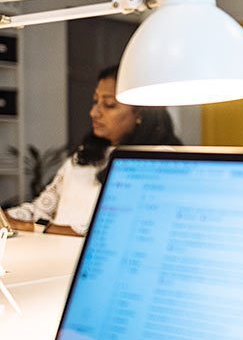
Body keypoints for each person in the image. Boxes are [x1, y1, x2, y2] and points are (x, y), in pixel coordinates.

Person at [7, 64, 182, 236]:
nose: (94, 112)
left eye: (109, 104)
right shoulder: (85, 155)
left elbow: (119, 228)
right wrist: (6, 217)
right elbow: (41, 209)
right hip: (52, 255)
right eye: (95, 101)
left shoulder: (159, 158)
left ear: (141, 114)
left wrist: (39, 228)